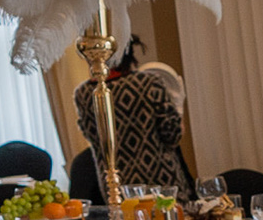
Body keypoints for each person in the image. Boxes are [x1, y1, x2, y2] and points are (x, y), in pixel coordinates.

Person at [74, 36, 193, 198]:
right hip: (162, 182)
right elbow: (172, 135)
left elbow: (92, 138)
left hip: (118, 188)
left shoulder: (84, 94)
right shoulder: (149, 83)